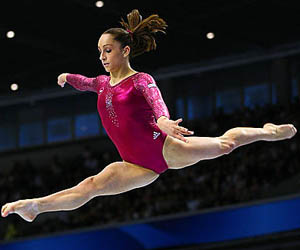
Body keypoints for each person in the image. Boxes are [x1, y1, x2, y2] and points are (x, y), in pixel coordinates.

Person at [1, 9, 297, 222]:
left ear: (125, 50)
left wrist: (164, 122)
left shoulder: (141, 80)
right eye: (100, 51)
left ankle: (267, 131)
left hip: (163, 150)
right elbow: (86, 82)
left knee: (225, 145)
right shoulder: (102, 82)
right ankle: (35, 206)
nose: (102, 57)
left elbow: (157, 104)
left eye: (108, 50)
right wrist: (68, 77)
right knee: (90, 186)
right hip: (135, 165)